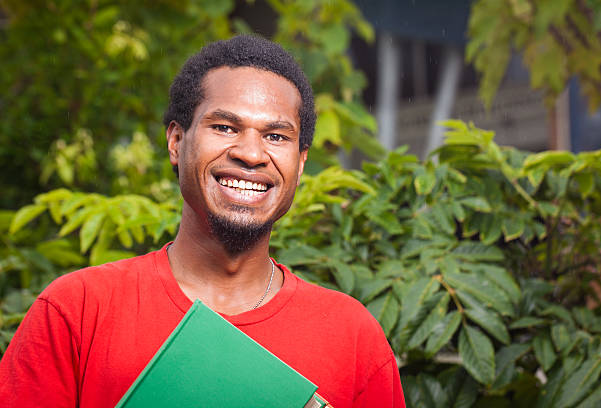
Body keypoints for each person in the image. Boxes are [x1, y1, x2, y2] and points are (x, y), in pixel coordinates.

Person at [0, 35, 405, 408]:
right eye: (225, 127)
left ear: (300, 164)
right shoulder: (77, 310)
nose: (251, 153)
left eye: (276, 137)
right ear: (176, 141)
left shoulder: (353, 338)